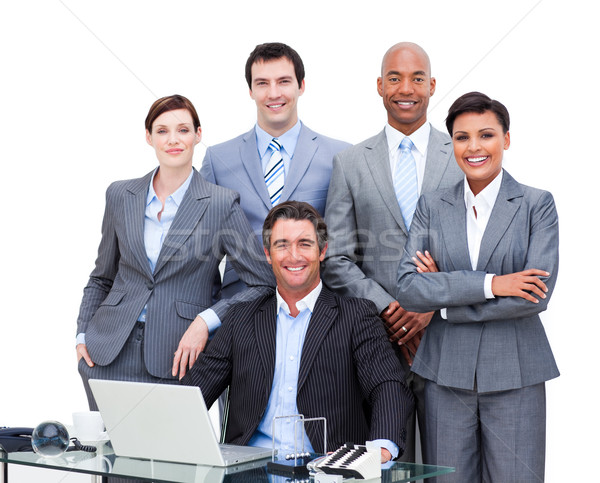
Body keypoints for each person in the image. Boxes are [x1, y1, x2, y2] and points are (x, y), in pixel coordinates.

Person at [396, 92, 559, 482]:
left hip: (515, 373)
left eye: (486, 135)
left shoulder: (537, 205)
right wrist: (495, 283)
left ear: (506, 139)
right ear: (451, 143)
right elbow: (408, 287)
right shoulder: (432, 205)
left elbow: (536, 295)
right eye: (461, 137)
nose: (474, 148)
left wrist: (445, 302)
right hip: (444, 375)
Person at [76, 95, 275, 411]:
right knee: (110, 457)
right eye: (162, 131)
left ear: (198, 135)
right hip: (108, 353)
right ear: (148, 137)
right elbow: (102, 277)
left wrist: (207, 320)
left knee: (168, 454)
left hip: (176, 355)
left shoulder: (220, 204)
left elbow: (263, 282)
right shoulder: (119, 195)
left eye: (182, 130)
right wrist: (82, 334)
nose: (173, 140)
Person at [182, 201, 414, 462]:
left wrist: (380, 448)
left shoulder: (357, 316)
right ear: (268, 254)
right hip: (251, 473)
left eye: (305, 243)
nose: (294, 255)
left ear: (322, 251)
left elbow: (387, 385)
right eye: (282, 245)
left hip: (326, 471)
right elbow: (192, 396)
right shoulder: (240, 319)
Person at [322, 42, 463, 462]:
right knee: (382, 465)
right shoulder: (349, 163)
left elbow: (477, 251)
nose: (407, 88)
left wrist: (430, 306)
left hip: (446, 341)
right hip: (376, 343)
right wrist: (390, 309)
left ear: (433, 85)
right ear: (380, 86)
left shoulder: (461, 155)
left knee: (447, 466)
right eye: (396, 78)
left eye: (417, 78)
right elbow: (336, 258)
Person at [201, 42, 350, 299]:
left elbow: (347, 247)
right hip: (238, 306)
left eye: (283, 81)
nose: (273, 93)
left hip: (318, 307)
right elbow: (204, 252)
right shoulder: (218, 159)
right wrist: (211, 316)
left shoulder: (340, 157)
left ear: (301, 86)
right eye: (262, 83)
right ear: (250, 90)